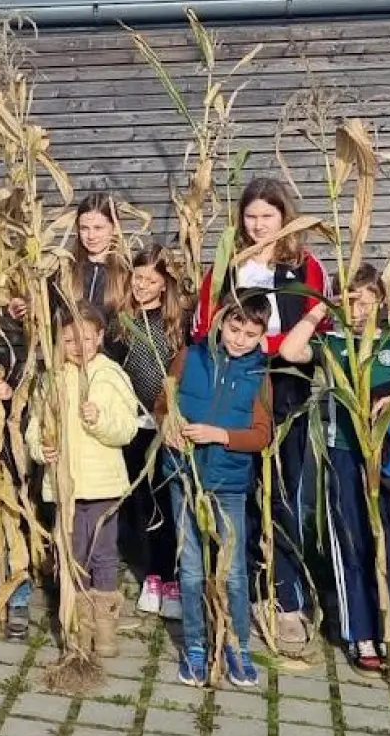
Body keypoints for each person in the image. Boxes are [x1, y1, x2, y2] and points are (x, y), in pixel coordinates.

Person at [279, 265, 390, 677]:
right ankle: (359, 633)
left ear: (381, 300)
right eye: (348, 298)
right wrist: (319, 312)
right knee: (351, 541)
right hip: (343, 454)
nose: (357, 306)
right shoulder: (332, 342)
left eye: (365, 297)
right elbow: (290, 352)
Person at [193, 177, 325, 658]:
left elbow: (316, 324)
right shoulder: (227, 266)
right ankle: (241, 588)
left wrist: (275, 347)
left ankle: (285, 598)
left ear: (283, 218)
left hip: (287, 391)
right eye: (250, 216)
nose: (257, 225)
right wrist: (268, 346)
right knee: (238, 490)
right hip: (239, 386)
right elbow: (206, 327)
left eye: (267, 216)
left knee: (286, 492)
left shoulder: (305, 267)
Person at [158, 291, 274, 688]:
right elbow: (163, 404)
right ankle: (195, 646)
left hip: (228, 484)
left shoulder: (259, 374)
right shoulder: (190, 358)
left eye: (250, 333)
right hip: (184, 477)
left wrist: (219, 435)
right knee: (190, 569)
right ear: (221, 323)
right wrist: (167, 427)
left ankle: (238, 646)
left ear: (261, 335)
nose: (240, 339)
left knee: (235, 573)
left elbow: (262, 434)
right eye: (234, 328)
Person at [25, 302, 139, 658]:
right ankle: (78, 626)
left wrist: (100, 418)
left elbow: (128, 429)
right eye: (69, 340)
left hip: (103, 486)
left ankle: (104, 630)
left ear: (100, 337)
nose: (79, 346)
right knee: (71, 555)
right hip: (65, 487)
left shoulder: (111, 375)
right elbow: (33, 428)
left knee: (103, 555)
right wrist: (42, 450)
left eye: (86, 338)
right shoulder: (50, 378)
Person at [118, 246, 188, 619]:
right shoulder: (122, 322)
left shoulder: (174, 323)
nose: (142, 286)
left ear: (164, 286)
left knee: (168, 498)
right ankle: (151, 577)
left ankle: (172, 576)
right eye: (138, 277)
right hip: (135, 425)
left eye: (151, 281)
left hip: (168, 425)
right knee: (143, 502)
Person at [8, 191, 131, 322]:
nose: (91, 236)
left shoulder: (127, 272)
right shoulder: (62, 269)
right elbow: (44, 316)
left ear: (115, 228)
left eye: (98, 228)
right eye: (84, 228)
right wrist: (24, 309)